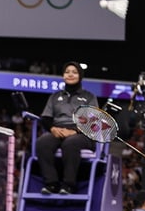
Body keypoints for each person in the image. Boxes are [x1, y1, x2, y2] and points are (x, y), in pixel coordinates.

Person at [36, 61, 99, 195]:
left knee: (70, 144)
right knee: (42, 143)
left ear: (80, 76)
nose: (70, 74)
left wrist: (74, 131)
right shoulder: (55, 96)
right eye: (67, 72)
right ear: (63, 75)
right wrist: (52, 129)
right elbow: (45, 118)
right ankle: (51, 183)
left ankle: (69, 185)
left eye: (74, 72)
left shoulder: (89, 97)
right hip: (58, 130)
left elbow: (93, 121)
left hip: (82, 133)